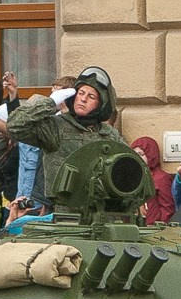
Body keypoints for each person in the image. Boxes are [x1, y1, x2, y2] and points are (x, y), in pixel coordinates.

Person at [7, 66, 127, 200]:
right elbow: (15, 125)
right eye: (81, 93)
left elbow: (130, 167)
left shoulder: (109, 134)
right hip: (64, 209)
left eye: (91, 96)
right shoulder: (56, 127)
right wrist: (50, 103)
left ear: (100, 104)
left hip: (104, 208)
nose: (83, 99)